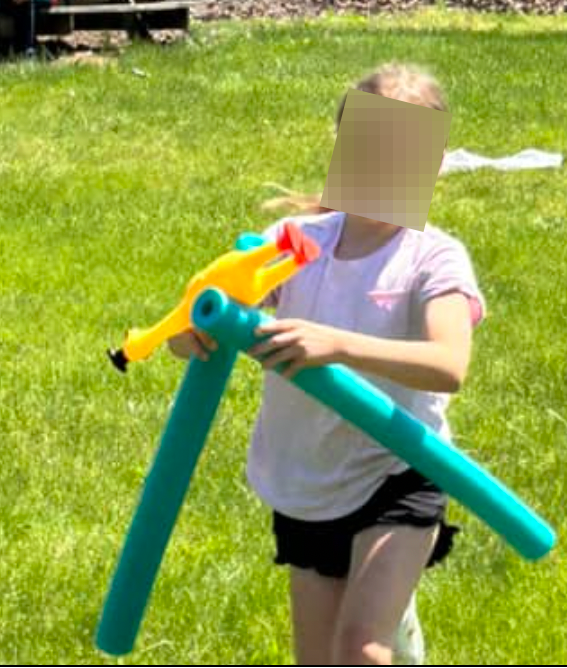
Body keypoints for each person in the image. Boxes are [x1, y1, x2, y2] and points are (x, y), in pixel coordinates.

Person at [170, 64, 487, 666]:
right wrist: (194, 334)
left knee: (359, 651)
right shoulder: (292, 243)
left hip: (399, 468)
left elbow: (449, 364)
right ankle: (401, 628)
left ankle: (388, 622)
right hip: (308, 480)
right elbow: (198, 324)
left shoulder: (434, 258)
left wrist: (336, 345)